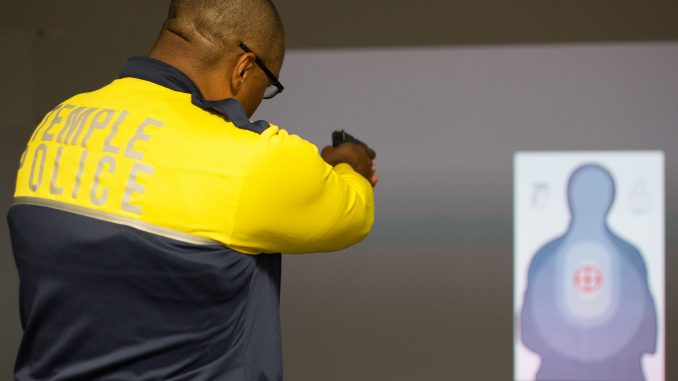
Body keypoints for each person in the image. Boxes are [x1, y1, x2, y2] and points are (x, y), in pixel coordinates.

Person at [8, 0, 377, 380]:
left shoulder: (57, 125)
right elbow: (352, 214)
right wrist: (351, 163)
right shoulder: (246, 157)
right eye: (266, 88)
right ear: (244, 67)